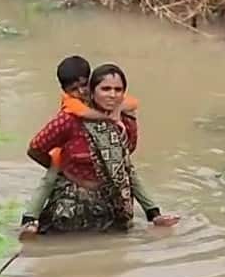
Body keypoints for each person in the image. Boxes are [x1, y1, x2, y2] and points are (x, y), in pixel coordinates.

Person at [21, 63, 180, 236]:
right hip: (71, 204)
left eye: (118, 90)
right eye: (105, 89)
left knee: (128, 170)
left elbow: (128, 152)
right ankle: (29, 220)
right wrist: (60, 168)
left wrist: (117, 115)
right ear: (93, 90)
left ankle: (154, 214)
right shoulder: (70, 118)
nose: (112, 95)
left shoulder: (125, 118)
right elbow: (35, 148)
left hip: (113, 202)